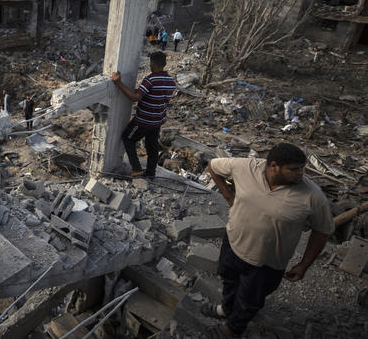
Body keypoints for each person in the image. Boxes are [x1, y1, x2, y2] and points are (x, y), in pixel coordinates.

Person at [204, 143, 333, 338]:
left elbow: (322, 231)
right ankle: (227, 309)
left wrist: (304, 264)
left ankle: (233, 328)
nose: (301, 174)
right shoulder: (245, 167)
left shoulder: (313, 196)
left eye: (302, 168)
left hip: (266, 262)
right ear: (273, 166)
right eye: (294, 169)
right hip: (233, 243)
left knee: (250, 299)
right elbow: (213, 166)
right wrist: (228, 196)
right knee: (229, 280)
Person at [110, 51, 176, 178]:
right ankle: (151, 172)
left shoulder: (150, 80)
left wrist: (119, 83)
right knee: (152, 146)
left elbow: (135, 98)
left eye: (150, 63)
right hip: (158, 120)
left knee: (128, 138)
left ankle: (136, 168)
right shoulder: (170, 81)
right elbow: (154, 95)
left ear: (152, 63)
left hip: (144, 120)